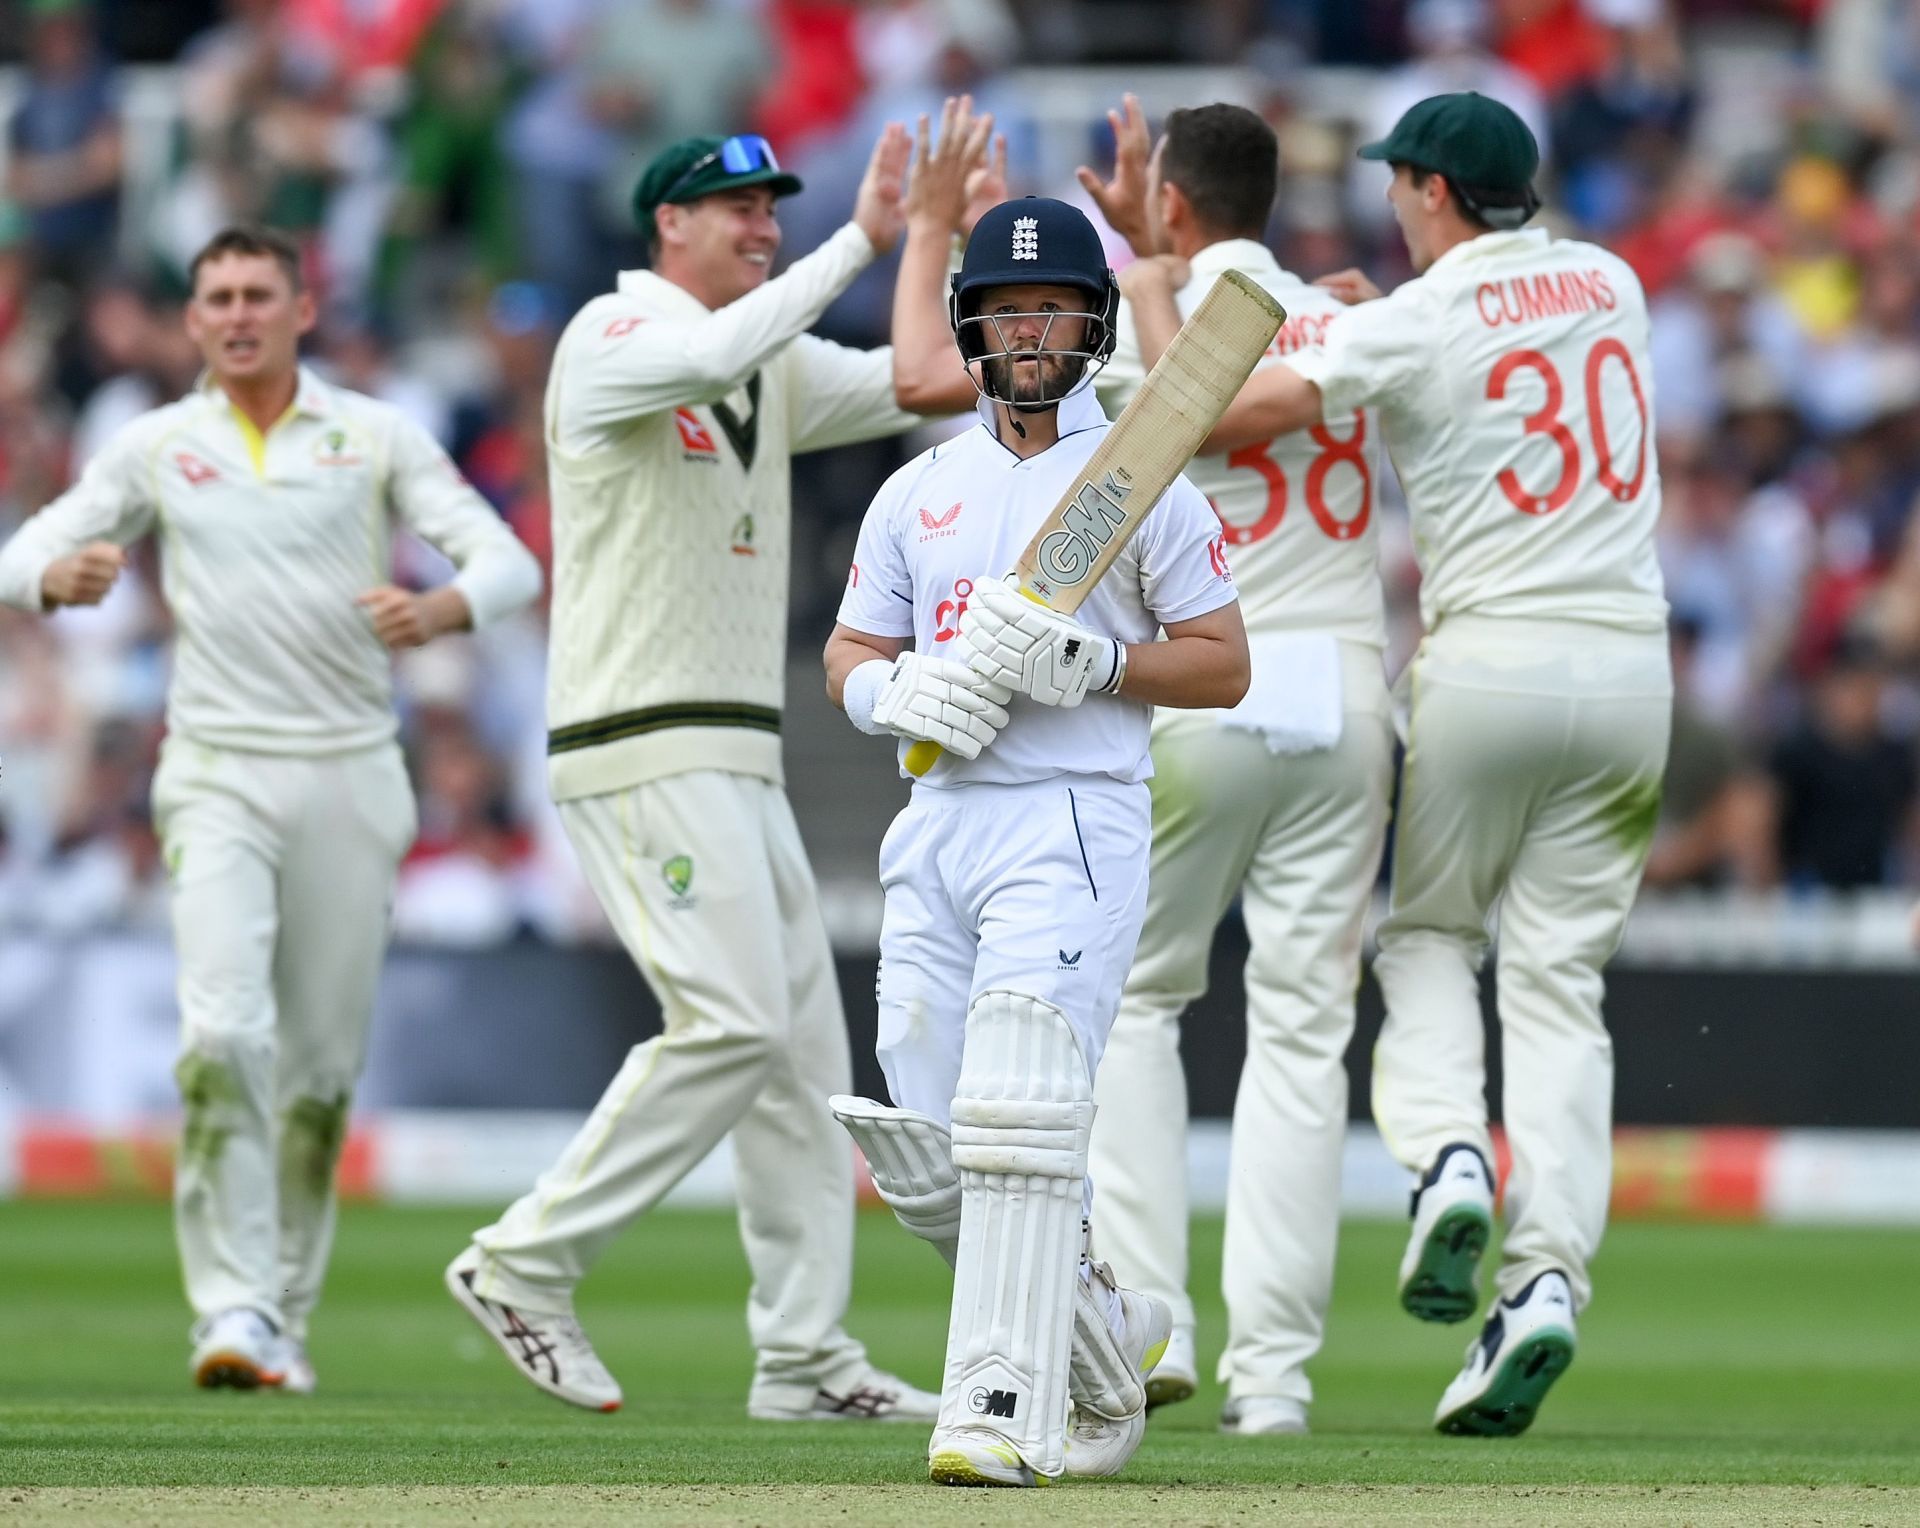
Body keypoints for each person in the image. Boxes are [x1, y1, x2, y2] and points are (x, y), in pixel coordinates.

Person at [1129, 92, 1670, 1435]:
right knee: (1562, 993)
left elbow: (1207, 415)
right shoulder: (1613, 281)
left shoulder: (1415, 317)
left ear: (1432, 191)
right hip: (1631, 675)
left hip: (1484, 667)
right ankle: (1542, 1286)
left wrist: (1157, 285)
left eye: (1400, 185)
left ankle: (1442, 1163)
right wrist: (1336, 305)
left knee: (1428, 945)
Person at [444, 123, 970, 1423]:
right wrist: (866, 234)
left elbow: (921, 380)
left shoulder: (764, 365)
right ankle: (524, 1262)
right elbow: (716, 348)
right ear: (665, 225)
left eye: (773, 209)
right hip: (638, 740)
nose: (761, 224)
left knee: (799, 1060)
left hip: (740, 753)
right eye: (735, 207)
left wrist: (948, 237)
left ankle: (803, 1357)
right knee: (732, 1023)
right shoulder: (610, 343)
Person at [0, 223, 542, 1392]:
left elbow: (505, 563)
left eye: (259, 294)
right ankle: (231, 1307)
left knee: (317, 1073)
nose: (238, 314)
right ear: (192, 322)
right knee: (221, 1040)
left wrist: (437, 611)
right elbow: (24, 548)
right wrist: (58, 575)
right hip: (216, 768)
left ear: (302, 310)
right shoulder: (158, 445)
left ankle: (281, 1311)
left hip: (350, 769)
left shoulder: (373, 433)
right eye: (217, 298)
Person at [823, 179, 1251, 1486]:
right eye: (1007, 309)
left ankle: (1000, 1407)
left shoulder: (1142, 486)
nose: (1030, 331)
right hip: (939, 812)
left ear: (1093, 326)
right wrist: (884, 692)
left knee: (1017, 1109)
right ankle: (1105, 1334)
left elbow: (1223, 663)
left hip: (1072, 817)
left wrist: (1100, 665)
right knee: (924, 1125)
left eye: (1053, 307)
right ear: (971, 325)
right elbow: (851, 644)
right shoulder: (919, 489)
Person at [1074, 98, 1393, 1437]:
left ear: (1174, 206)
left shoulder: (1141, 327)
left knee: (1141, 1004)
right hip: (1349, 691)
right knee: (1305, 1035)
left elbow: (1150, 435)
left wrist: (1138, 265)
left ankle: (1154, 1317)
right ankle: (1277, 1381)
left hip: (1212, 688)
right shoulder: (1359, 321)